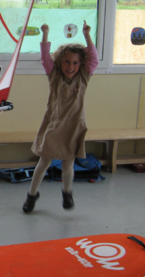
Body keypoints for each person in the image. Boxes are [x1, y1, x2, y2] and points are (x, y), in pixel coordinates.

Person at [22, 21, 98, 213]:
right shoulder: (54, 76)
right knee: (44, 162)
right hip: (54, 126)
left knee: (67, 164)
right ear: (59, 62)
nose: (70, 66)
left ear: (80, 64)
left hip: (73, 127)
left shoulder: (83, 78)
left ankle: (67, 192)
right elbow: (44, 59)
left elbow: (93, 60)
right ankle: (32, 195)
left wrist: (87, 35)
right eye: (66, 61)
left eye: (75, 63)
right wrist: (45, 34)